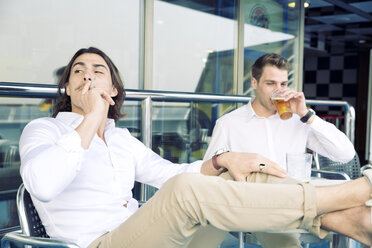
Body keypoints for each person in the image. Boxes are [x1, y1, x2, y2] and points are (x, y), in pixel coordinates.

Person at [19, 47, 372, 248]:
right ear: (66, 87)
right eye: (78, 71)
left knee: (235, 178)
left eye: (98, 71)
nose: (88, 75)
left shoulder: (120, 139)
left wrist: (223, 159)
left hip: (149, 235)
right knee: (188, 191)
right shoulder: (44, 130)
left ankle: (346, 217)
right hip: (100, 244)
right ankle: (355, 194)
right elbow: (44, 186)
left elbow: (167, 172)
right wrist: (90, 118)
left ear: (112, 91)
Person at [204, 53, 356, 248]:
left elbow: (345, 154)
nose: (279, 91)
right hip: (253, 203)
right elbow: (208, 174)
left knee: (352, 226)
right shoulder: (229, 124)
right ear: (254, 83)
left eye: (283, 84)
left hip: (297, 199)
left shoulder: (297, 120)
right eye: (271, 84)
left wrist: (306, 114)